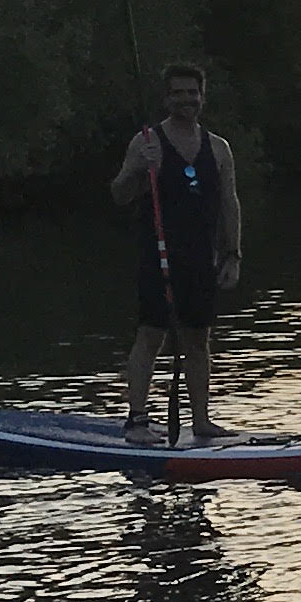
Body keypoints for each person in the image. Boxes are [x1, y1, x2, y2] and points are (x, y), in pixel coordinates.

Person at [113, 63, 242, 441]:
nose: (186, 99)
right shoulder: (147, 143)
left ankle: (201, 421)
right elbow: (119, 195)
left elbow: (230, 204)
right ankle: (137, 421)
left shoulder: (218, 148)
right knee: (150, 335)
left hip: (201, 258)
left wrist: (233, 254)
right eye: (177, 93)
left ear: (203, 96)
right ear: (166, 98)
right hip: (158, 256)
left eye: (192, 92)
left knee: (198, 340)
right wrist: (138, 168)